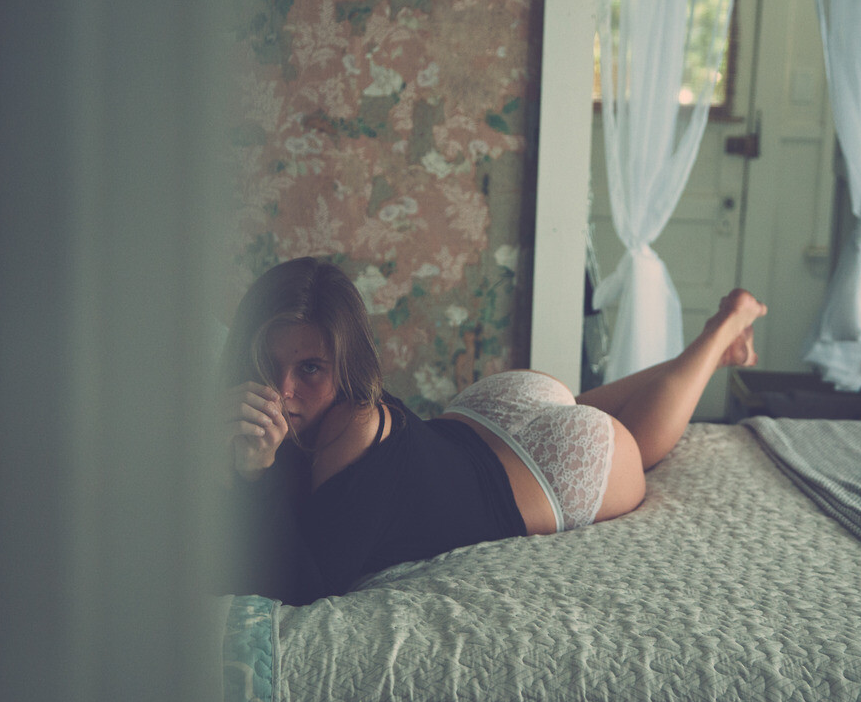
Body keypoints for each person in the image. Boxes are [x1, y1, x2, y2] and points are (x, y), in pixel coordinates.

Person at [220, 256, 767, 604]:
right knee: (584, 410)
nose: (283, 389)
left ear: (347, 366)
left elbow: (304, 590)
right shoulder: (278, 409)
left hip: (550, 474)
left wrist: (253, 475)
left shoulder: (353, 426)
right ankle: (718, 344)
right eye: (269, 364)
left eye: (310, 369)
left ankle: (722, 332)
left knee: (638, 445)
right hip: (486, 415)